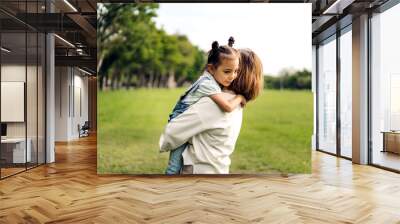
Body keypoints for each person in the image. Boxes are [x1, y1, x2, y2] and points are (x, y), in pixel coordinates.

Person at [159, 48, 263, 174]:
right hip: (219, 169)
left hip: (198, 173)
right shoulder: (238, 103)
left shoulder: (213, 103)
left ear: (238, 73)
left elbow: (172, 133)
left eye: (235, 70)